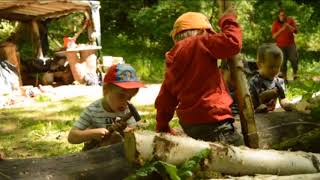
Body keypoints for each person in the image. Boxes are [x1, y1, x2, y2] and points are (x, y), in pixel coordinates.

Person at [154, 7, 243, 145]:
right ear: (202, 31)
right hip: (213, 118)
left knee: (207, 155)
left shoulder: (173, 60)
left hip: (190, 124)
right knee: (238, 155)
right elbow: (232, 42)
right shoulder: (202, 41)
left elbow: (165, 98)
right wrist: (228, 20)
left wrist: (162, 126)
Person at [68, 64, 145, 150]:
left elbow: (137, 139)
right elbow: (72, 137)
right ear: (105, 90)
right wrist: (92, 133)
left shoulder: (127, 111)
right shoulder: (93, 110)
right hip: (94, 156)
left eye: (130, 97)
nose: (125, 103)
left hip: (118, 154)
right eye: (121, 96)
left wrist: (125, 131)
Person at [249, 43, 295, 113]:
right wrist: (263, 96)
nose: (275, 70)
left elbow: (282, 98)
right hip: (256, 114)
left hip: (270, 114)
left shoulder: (279, 82)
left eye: (278, 66)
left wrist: (286, 104)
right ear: (259, 65)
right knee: (261, 107)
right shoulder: (254, 82)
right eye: (271, 67)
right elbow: (250, 103)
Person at [272, 8, 298, 82]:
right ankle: (285, 78)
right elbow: (273, 36)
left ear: (285, 15)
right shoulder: (275, 23)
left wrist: (288, 26)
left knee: (294, 59)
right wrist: (281, 29)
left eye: (283, 15)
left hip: (291, 44)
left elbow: (296, 31)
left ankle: (295, 75)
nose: (282, 17)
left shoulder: (290, 20)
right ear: (278, 16)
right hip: (280, 45)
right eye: (280, 15)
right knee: (283, 62)